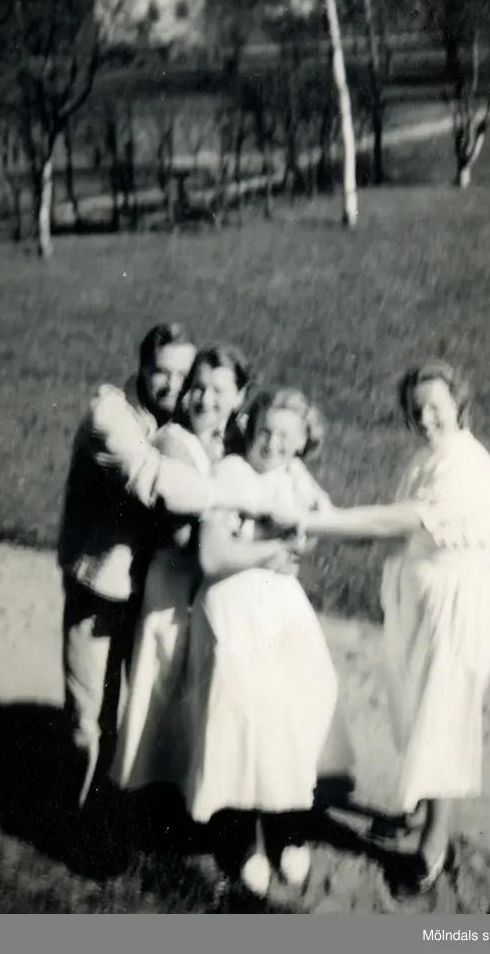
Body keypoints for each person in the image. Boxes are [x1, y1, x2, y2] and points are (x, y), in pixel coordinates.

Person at [58, 326, 303, 810]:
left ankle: (125, 809)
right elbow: (158, 483)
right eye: (161, 372)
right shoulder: (111, 416)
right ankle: (77, 821)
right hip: (102, 586)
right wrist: (247, 504)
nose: (173, 385)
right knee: (91, 718)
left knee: (150, 705)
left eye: (182, 375)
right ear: (140, 368)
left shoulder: (191, 424)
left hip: (152, 588)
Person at [298, 361, 490, 898]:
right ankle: (415, 809)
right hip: (421, 598)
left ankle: (434, 843)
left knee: (442, 714)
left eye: (436, 406)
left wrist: (320, 521)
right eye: (417, 409)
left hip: (457, 600)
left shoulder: (464, 464)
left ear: (459, 403)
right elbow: (388, 534)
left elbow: (398, 522)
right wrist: (326, 513)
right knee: (412, 707)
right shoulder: (424, 460)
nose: (425, 417)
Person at [182, 388, 356, 898]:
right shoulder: (231, 473)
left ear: (302, 442)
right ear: (250, 427)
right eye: (266, 430)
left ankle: (287, 827)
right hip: (232, 599)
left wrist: (305, 533)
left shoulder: (292, 473)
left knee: (298, 698)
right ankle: (244, 838)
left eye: (286, 436)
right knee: (244, 710)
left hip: (277, 600)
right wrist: (275, 547)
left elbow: (323, 519)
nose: (274, 443)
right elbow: (212, 558)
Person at [113, 344, 268, 793]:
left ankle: (188, 792)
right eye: (198, 387)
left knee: (201, 695)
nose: (205, 399)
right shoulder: (173, 443)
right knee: (162, 688)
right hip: (174, 587)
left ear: (240, 396)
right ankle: (141, 796)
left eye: (219, 390)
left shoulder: (231, 445)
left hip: (209, 589)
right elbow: (188, 540)